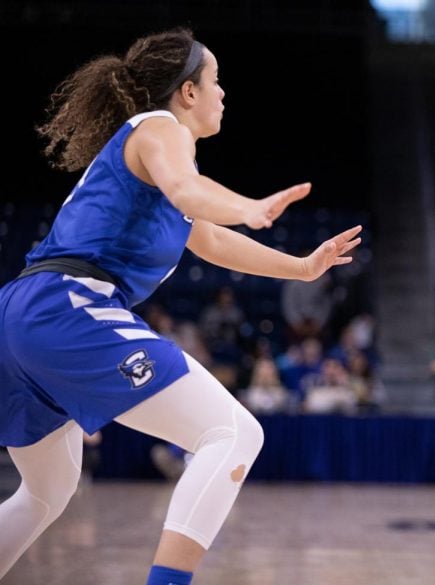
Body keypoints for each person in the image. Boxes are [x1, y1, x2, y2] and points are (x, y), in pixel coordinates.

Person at [0, 28, 361, 585]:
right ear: (187, 92)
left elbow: (209, 238)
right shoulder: (159, 128)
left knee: (46, 493)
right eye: (216, 81)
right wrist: (253, 205)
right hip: (66, 306)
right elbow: (193, 194)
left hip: (26, 315)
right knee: (235, 433)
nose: (223, 94)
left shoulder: (154, 162)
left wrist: (304, 266)